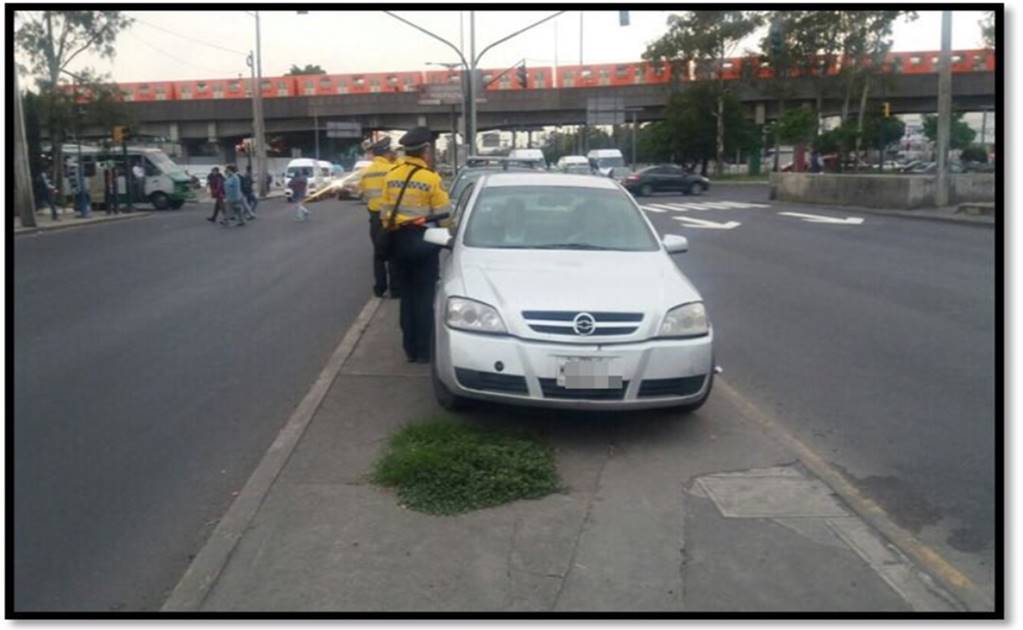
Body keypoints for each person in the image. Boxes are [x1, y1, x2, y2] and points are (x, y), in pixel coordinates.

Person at [380, 127, 450, 363]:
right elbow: (445, 213)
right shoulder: (430, 178)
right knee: (424, 297)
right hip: (424, 242)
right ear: (425, 150)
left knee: (407, 297)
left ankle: (409, 349)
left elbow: (384, 211)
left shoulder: (391, 175)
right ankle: (423, 351)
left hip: (398, 241)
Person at [359, 137, 400, 298]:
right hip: (391, 217)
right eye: (390, 151)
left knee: (379, 254)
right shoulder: (393, 169)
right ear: (386, 153)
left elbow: (363, 193)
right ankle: (395, 289)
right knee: (394, 254)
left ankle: (380, 288)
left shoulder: (366, 172)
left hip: (375, 217)